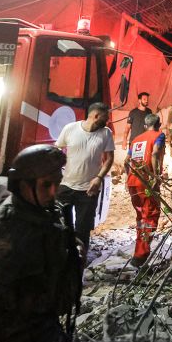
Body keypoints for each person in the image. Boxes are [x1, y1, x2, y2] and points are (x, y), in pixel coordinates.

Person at [0, 145, 81, 342]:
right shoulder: (2, 231)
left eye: (57, 184)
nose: (54, 192)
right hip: (16, 341)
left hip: (46, 329)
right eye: (46, 185)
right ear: (22, 185)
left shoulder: (48, 212)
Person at [54, 102, 115, 257]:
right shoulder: (70, 129)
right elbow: (57, 150)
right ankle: (59, 257)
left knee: (83, 230)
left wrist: (99, 178)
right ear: (95, 115)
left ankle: (78, 264)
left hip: (89, 190)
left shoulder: (106, 133)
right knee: (58, 226)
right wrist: (57, 173)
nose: (106, 121)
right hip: (66, 186)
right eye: (104, 117)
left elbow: (109, 159)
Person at [125, 112, 165, 265]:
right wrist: (155, 176)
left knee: (141, 217)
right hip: (147, 182)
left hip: (133, 182)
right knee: (150, 216)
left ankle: (139, 251)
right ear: (158, 124)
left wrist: (127, 178)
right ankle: (140, 255)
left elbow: (126, 160)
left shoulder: (136, 139)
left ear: (144, 126)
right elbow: (155, 153)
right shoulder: (159, 135)